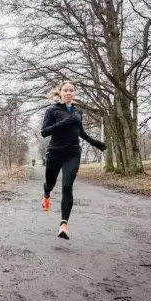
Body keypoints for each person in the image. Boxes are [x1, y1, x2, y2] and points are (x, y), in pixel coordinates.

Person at [40, 81, 106, 240]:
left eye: (72, 90)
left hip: (73, 153)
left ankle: (63, 225)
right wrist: (64, 122)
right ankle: (46, 194)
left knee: (67, 185)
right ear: (60, 93)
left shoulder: (78, 112)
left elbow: (80, 132)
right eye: (66, 90)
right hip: (55, 152)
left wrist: (94, 142)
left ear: (74, 93)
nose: (69, 93)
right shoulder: (52, 110)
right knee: (51, 181)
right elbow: (44, 132)